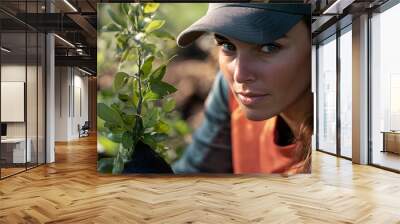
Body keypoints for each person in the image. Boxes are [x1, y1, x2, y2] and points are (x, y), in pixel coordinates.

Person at [172, 3, 313, 174]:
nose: (239, 75)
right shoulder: (232, 93)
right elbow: (192, 179)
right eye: (227, 46)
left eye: (268, 47)